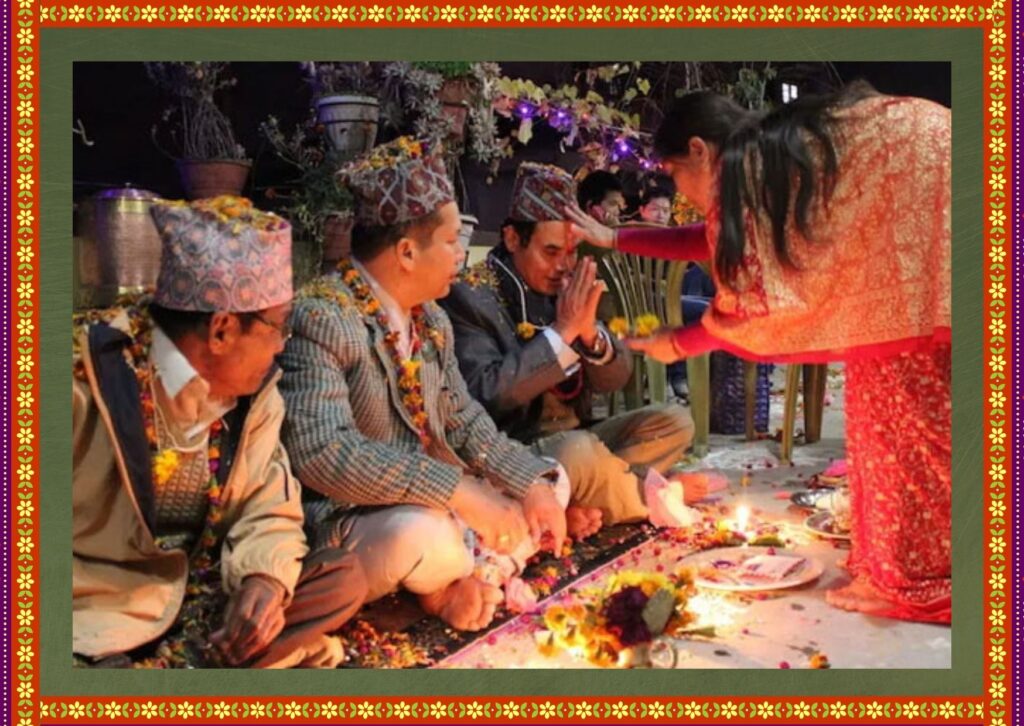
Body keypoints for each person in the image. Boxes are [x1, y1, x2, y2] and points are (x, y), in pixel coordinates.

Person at [567, 83, 951, 624]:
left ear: (700, 150)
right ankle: (897, 565)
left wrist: (677, 343)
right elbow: (712, 239)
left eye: (674, 172)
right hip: (928, 180)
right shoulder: (760, 158)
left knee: (911, 424)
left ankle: (922, 577)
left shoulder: (743, 173)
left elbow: (751, 309)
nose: (676, 187)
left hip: (929, 212)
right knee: (882, 416)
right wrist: (614, 239)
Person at [278, 139, 568, 633]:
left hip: (437, 503)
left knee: (554, 478)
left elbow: (465, 420)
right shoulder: (322, 316)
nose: (462, 254)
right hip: (360, 519)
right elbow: (322, 453)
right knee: (427, 535)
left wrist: (529, 484)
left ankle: (466, 575)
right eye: (454, 240)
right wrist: (456, 491)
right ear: (407, 252)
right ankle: (461, 577)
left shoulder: (431, 319)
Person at [73, 196, 368, 669]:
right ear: (222, 331)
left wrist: (263, 582)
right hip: (102, 608)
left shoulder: (255, 395)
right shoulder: (85, 383)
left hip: (204, 598)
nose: (281, 347)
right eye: (279, 327)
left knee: (343, 575)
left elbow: (270, 505)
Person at [440, 162, 698, 537]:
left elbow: (617, 377)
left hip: (578, 439)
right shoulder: (471, 294)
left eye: (573, 251)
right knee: (579, 453)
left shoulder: (569, 282)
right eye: (551, 251)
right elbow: (484, 394)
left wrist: (591, 336)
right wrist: (562, 334)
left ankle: (583, 495)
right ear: (513, 239)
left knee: (674, 422)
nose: (564, 265)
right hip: (514, 453)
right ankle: (651, 494)